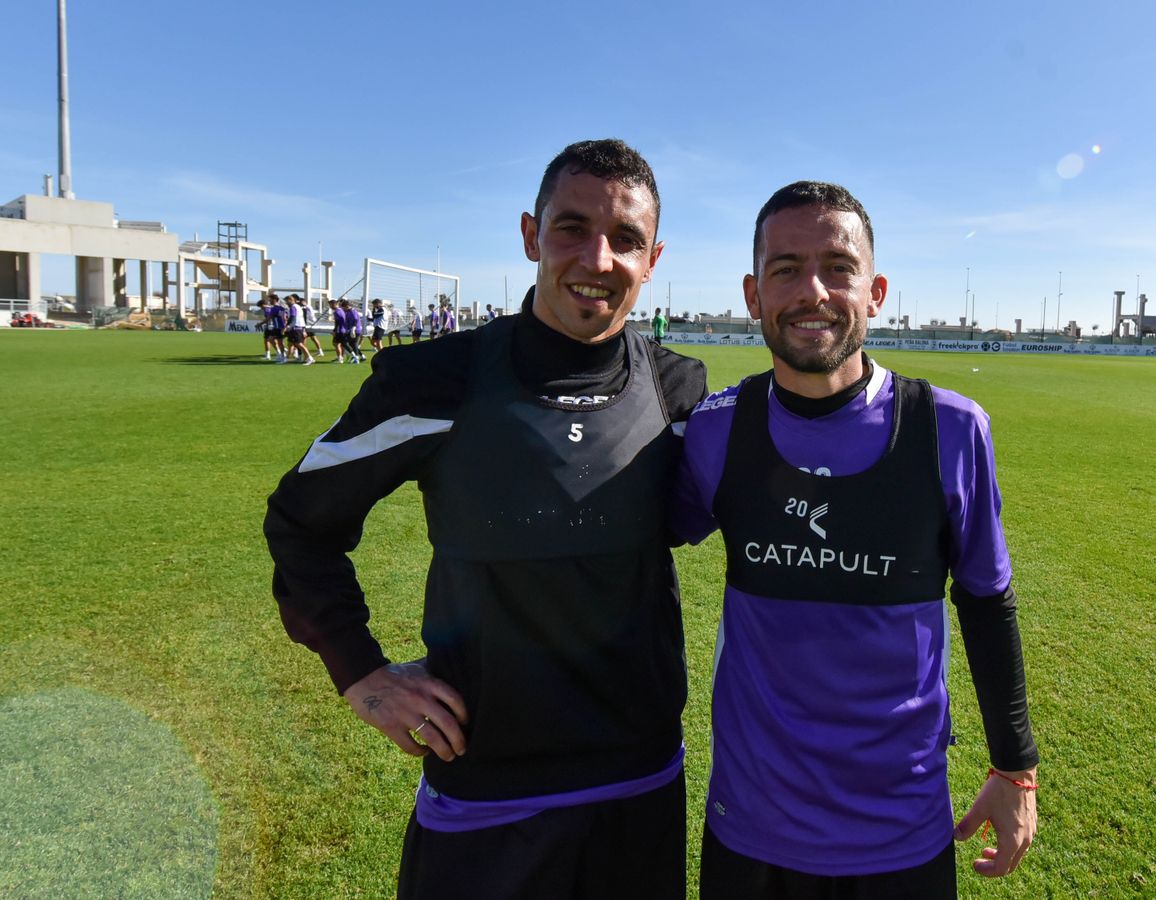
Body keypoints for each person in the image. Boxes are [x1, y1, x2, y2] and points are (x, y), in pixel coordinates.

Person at [265, 138, 706, 899]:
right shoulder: (433, 379)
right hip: (484, 787)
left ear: (653, 258)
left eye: (625, 240)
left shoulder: (680, 392)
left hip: (639, 782)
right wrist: (361, 673)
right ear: (532, 236)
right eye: (572, 228)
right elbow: (302, 521)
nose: (598, 259)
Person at [672, 181, 1039, 898]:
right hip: (750, 831)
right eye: (786, 269)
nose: (813, 290)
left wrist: (1014, 767)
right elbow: (629, 541)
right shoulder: (717, 429)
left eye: (838, 267)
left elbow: (987, 601)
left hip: (900, 836)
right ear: (754, 294)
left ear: (875, 291)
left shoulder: (951, 429)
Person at [281, 295, 315, 365]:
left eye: (287, 301)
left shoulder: (293, 307)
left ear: (290, 300)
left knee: (299, 344)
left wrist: (287, 326)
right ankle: (286, 359)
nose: (286, 303)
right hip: (297, 327)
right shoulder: (297, 306)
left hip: (296, 327)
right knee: (290, 343)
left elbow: (293, 317)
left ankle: (310, 358)